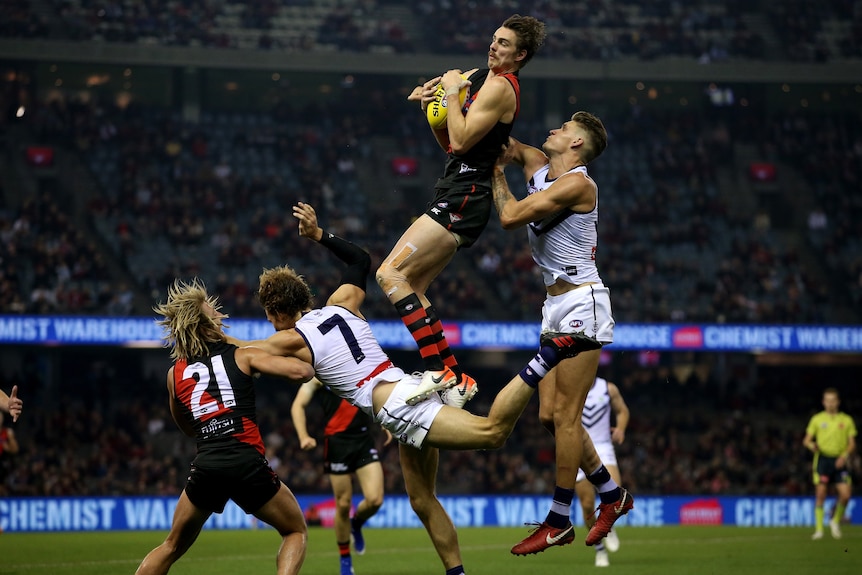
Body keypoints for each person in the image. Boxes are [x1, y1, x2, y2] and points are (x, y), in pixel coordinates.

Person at [236, 202, 596, 575]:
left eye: (268, 315)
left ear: (275, 313)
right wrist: (319, 235)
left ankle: (547, 355)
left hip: (397, 406)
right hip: (406, 385)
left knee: (493, 433)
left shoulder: (292, 339)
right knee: (422, 499)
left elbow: (241, 351)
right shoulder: (340, 304)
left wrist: (205, 334)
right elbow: (360, 259)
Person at [376, 15, 547, 404]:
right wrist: (430, 107)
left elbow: (464, 139)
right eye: (493, 38)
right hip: (456, 184)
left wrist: (452, 93)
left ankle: (440, 372)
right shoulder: (478, 76)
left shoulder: (503, 87)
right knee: (413, 286)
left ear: (519, 55)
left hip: (468, 194)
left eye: (503, 44)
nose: (493, 46)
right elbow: (451, 146)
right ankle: (454, 377)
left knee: (389, 274)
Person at [491, 111, 634, 555]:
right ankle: (612, 496)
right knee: (548, 416)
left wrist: (496, 174)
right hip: (554, 304)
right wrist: (453, 106)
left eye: (564, 129)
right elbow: (498, 142)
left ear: (576, 145)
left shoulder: (579, 185)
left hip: (582, 303)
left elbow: (511, 216)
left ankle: (558, 519)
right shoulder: (538, 166)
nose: (552, 129)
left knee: (567, 417)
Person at [136, 280, 314, 575]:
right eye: (214, 313)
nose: (221, 316)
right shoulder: (242, 355)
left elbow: (188, 427)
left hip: (207, 465)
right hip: (246, 461)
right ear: (205, 322)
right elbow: (302, 372)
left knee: (171, 546)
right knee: (295, 531)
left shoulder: (174, 374)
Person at [291, 377, 391, 575]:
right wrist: (303, 436)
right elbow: (297, 406)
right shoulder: (318, 375)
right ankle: (345, 559)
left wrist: (386, 421)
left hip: (363, 441)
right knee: (343, 504)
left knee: (375, 500)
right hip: (337, 444)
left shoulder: (360, 368)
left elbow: (378, 395)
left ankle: (357, 523)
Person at [575, 377, 630, 567]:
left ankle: (607, 525)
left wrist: (621, 429)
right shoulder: (572, 387)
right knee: (587, 505)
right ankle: (600, 550)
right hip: (579, 449)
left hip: (603, 446)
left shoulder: (608, 388)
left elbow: (622, 411)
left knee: (615, 495)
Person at [803, 387, 857, 540]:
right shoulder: (817, 419)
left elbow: (852, 443)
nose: (830, 403)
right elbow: (806, 440)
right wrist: (812, 446)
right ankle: (819, 530)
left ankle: (835, 521)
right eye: (827, 401)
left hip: (841, 459)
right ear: (823, 402)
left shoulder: (846, 420)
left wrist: (845, 455)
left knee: (846, 495)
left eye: (833, 400)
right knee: (821, 494)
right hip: (823, 460)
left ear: (838, 402)